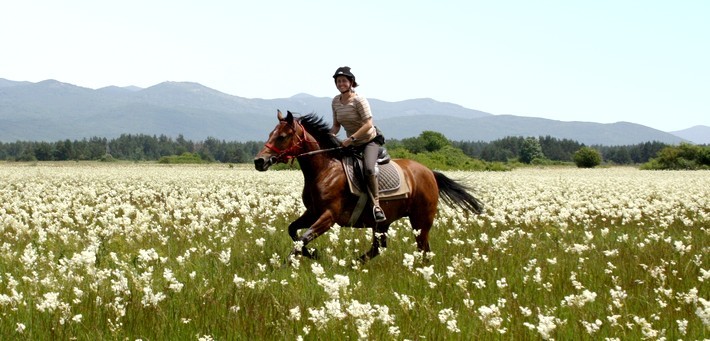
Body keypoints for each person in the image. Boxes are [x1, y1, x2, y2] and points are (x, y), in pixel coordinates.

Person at [329, 66, 386, 222]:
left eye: (344, 81)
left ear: (351, 82)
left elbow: (368, 124)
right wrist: (328, 136)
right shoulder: (335, 101)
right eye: (338, 81)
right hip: (351, 143)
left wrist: (351, 139)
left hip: (369, 141)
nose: (341, 83)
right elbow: (336, 126)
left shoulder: (359, 100)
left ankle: (376, 205)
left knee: (368, 168)